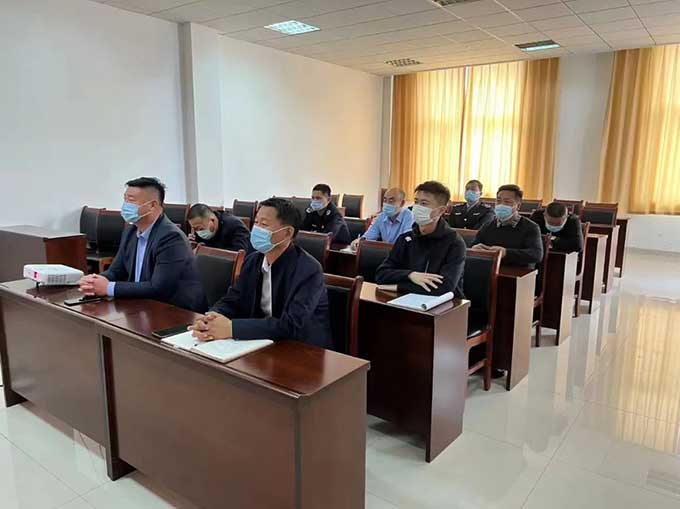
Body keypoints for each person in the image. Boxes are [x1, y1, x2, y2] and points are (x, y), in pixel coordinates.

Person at [188, 197, 332, 348]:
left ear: (287, 233)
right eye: (256, 222)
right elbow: (233, 299)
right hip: (260, 341)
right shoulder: (253, 261)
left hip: (302, 348)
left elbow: (291, 324)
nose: (256, 229)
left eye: (264, 224)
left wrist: (231, 328)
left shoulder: (309, 270)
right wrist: (210, 318)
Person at [78, 177, 207, 312]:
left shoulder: (171, 238)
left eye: (131, 200)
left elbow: (158, 288)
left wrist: (108, 287)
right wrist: (95, 281)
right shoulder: (130, 232)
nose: (126, 205)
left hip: (176, 311)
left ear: (152, 205)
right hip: (143, 304)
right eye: (125, 199)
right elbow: (116, 271)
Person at [375, 181, 466, 298]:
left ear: (441, 210)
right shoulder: (406, 238)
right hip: (405, 301)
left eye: (424, 203)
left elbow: (445, 288)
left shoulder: (454, 243)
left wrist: (398, 287)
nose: (417, 207)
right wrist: (410, 275)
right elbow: (381, 275)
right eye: (416, 202)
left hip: (446, 305)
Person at [471, 184, 543, 267]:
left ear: (518, 206)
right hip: (488, 268)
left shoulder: (530, 227)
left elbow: (536, 254)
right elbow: (472, 245)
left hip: (516, 271)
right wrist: (475, 248)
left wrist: (506, 252)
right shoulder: (488, 225)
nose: (501, 205)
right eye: (498, 201)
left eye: (507, 202)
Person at [349, 187, 414, 250]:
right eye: (385, 200)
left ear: (402, 203)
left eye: (391, 201)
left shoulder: (409, 217)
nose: (387, 204)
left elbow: (407, 242)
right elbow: (369, 235)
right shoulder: (381, 216)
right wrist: (358, 242)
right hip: (385, 254)